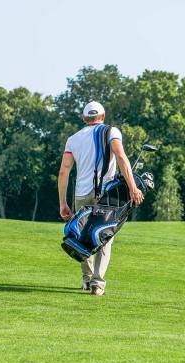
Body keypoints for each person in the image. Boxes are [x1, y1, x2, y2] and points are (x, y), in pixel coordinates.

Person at [57, 101, 144, 296]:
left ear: (83, 119)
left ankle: (87, 280)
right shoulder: (111, 132)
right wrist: (133, 187)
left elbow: (64, 171)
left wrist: (63, 203)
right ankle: (97, 284)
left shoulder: (73, 139)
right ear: (103, 117)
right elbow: (121, 157)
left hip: (81, 194)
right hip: (105, 195)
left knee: (82, 234)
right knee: (104, 235)